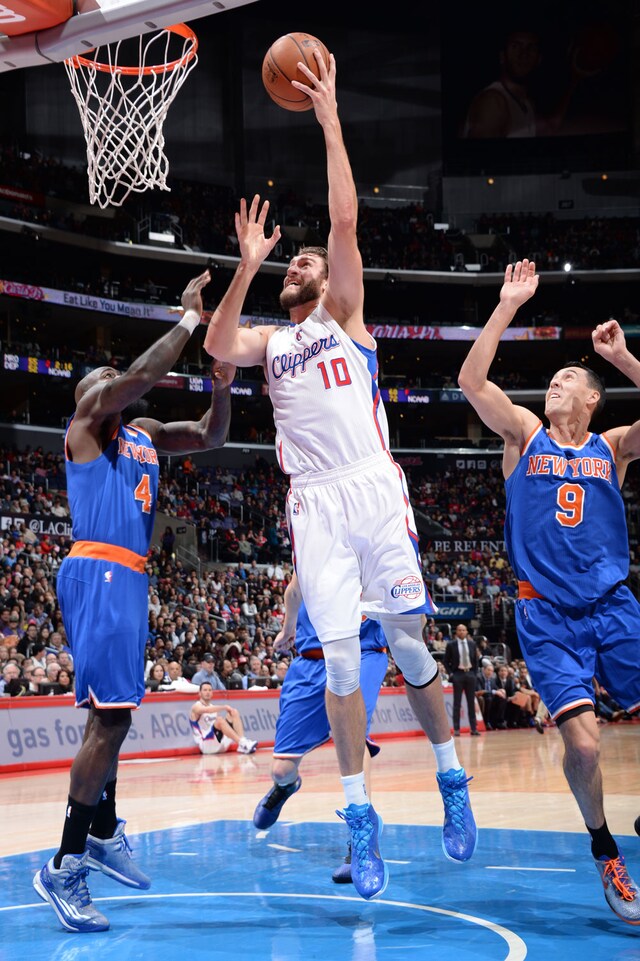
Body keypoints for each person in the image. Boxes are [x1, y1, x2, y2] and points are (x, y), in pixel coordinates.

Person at [204, 49, 476, 901]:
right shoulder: (272, 341)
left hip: (369, 485)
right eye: (297, 264)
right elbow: (217, 345)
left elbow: (347, 220)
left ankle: (452, 778)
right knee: (345, 673)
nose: (302, 267)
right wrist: (248, 263)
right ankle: (361, 820)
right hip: (313, 507)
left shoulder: (345, 318)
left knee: (404, 641)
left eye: (305, 262)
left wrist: (327, 119)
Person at [33, 269, 236, 934]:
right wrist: (186, 321)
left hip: (130, 575)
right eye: (103, 381)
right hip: (100, 569)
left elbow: (210, 435)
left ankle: (103, 824)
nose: (111, 385)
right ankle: (66, 862)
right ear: (89, 396)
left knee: (114, 711)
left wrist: (223, 384)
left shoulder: (144, 429)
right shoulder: (87, 423)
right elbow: (133, 380)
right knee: (110, 721)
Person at [458, 259, 640, 924]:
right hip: (547, 614)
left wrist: (622, 358)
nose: (554, 385)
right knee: (584, 746)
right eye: (552, 379)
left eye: (568, 380)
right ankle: (605, 850)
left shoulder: (613, 446)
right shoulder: (524, 435)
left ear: (592, 398)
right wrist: (507, 306)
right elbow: (471, 381)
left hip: (613, 606)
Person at [253, 571, 388, 885]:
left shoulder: (376, 532)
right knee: (282, 769)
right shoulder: (311, 528)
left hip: (363, 650)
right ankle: (286, 786)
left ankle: (362, 839)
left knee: (356, 739)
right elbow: (294, 589)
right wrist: (288, 629)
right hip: (312, 658)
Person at [189, 682, 257, 755]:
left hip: (219, 742)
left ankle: (242, 742)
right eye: (205, 690)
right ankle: (242, 743)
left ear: (212, 693)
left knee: (233, 712)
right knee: (220, 720)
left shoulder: (213, 707)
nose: (207, 692)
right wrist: (224, 707)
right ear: (200, 693)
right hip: (206, 744)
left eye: (209, 690)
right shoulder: (196, 706)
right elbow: (206, 710)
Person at [443, 624, 481, 736]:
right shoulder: (451, 644)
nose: (461, 632)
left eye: (463, 630)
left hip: (470, 674)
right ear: (456, 632)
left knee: (471, 702)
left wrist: (474, 673)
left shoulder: (472, 644)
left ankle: (474, 728)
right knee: (457, 703)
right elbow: (446, 661)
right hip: (458, 674)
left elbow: (476, 660)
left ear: (467, 632)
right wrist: (451, 674)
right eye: (459, 630)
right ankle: (456, 729)